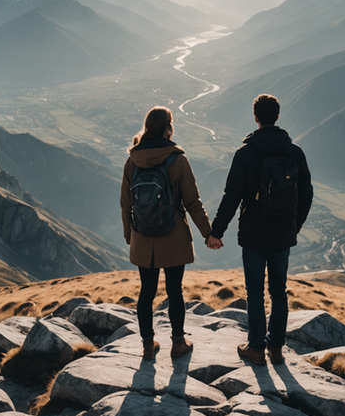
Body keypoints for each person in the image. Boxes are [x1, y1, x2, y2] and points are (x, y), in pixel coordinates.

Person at [207, 94, 313, 365]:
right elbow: (307, 193)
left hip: (254, 234)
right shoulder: (295, 152)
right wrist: (296, 224)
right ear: (277, 116)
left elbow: (231, 196)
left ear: (256, 117)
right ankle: (276, 348)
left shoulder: (246, 153)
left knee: (255, 292)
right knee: (279, 291)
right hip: (282, 234)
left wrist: (215, 232)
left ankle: (256, 348)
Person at [121, 106, 213, 361]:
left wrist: (131, 236)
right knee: (175, 291)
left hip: (142, 238)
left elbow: (125, 203)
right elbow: (193, 202)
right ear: (168, 128)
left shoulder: (133, 160)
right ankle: (178, 343)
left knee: (146, 292)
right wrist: (208, 234)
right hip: (172, 237)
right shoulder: (178, 160)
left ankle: (148, 345)